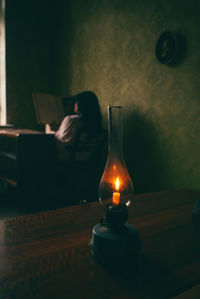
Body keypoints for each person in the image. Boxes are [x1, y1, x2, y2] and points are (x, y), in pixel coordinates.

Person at [45, 91, 102, 161]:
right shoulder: (94, 121)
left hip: (67, 159)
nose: (74, 104)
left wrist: (48, 128)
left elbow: (61, 144)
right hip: (86, 160)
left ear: (82, 104)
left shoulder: (71, 119)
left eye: (76, 102)